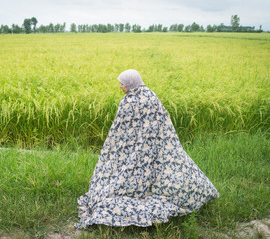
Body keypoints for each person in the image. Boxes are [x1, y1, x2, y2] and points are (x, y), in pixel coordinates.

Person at [75, 69, 219, 229]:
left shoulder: (128, 101)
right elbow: (163, 124)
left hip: (137, 153)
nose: (121, 87)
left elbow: (120, 132)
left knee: (125, 178)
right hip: (156, 150)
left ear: (130, 83)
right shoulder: (151, 95)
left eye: (123, 83)